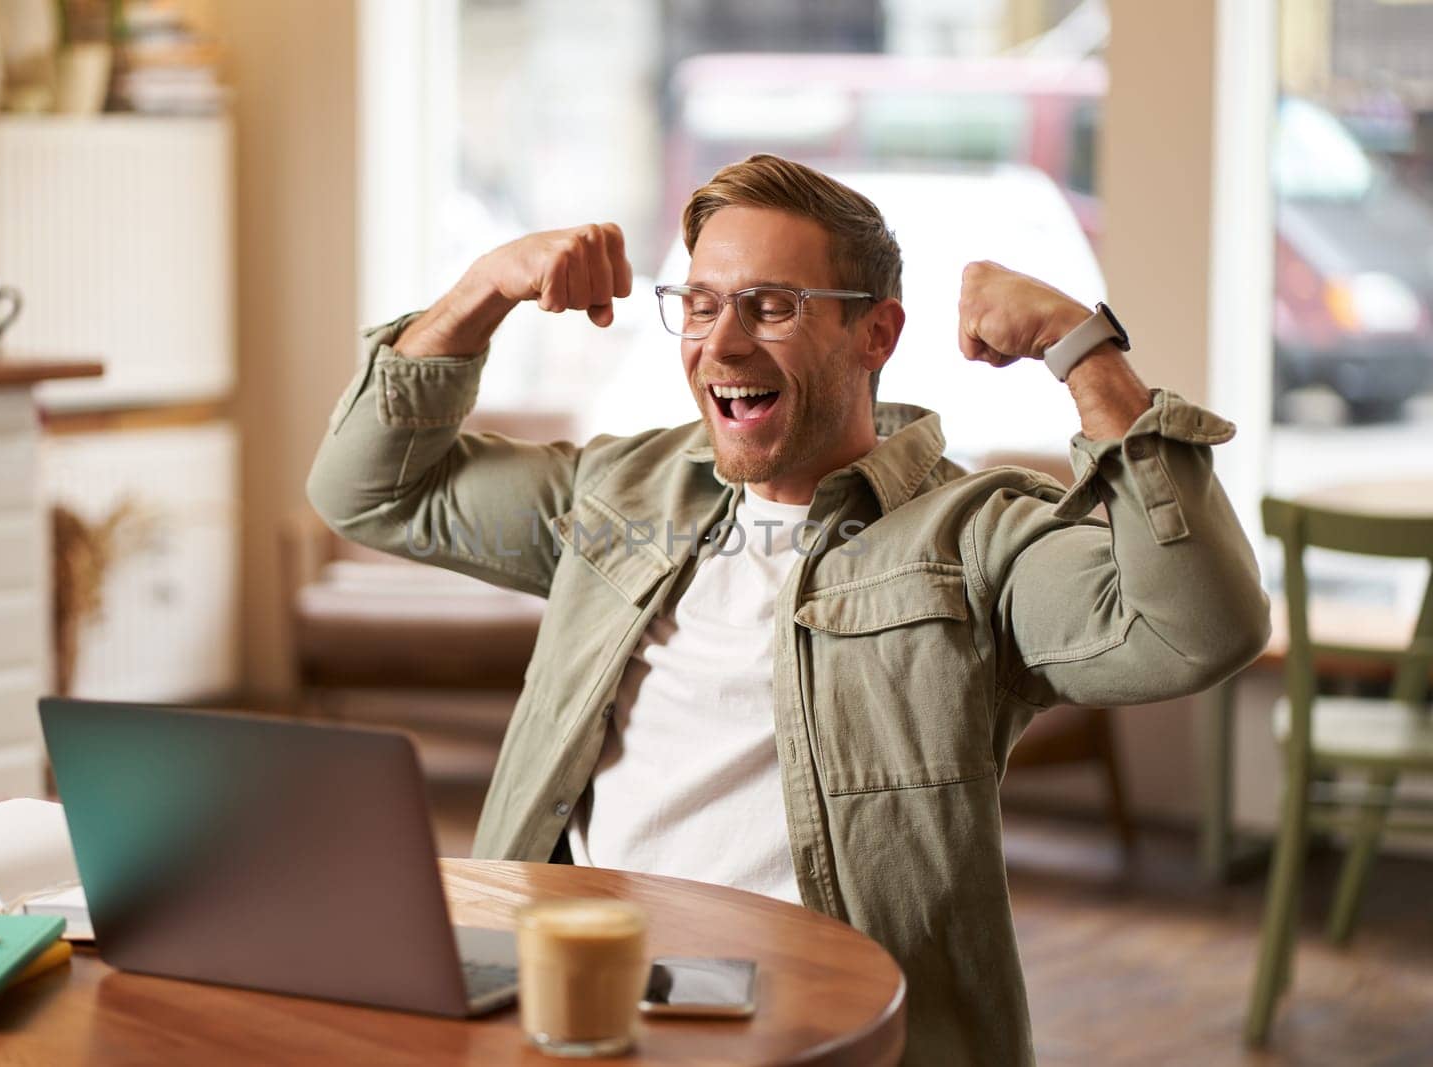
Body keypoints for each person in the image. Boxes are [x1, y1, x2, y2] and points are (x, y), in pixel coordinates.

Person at [307, 154, 1269, 1065]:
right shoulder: (621, 492)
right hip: (579, 990)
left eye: (770, 307)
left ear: (877, 334)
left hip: (817, 1016)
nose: (721, 343)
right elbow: (369, 492)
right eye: (700, 302)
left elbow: (1200, 627)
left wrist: (1084, 352)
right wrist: (483, 288)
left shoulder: (974, 534)